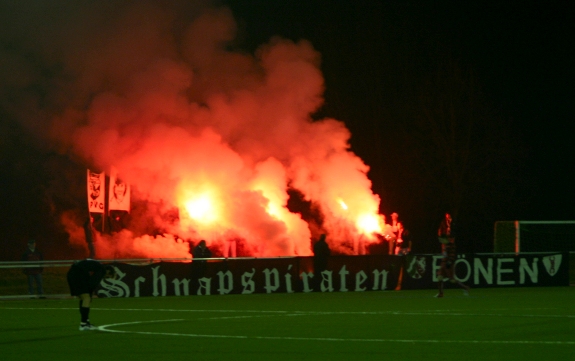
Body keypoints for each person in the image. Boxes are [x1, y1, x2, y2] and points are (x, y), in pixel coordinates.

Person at [67, 259, 116, 330]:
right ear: (108, 271)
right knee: (86, 298)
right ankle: (83, 324)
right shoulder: (102, 269)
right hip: (77, 275)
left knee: (84, 298)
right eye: (108, 276)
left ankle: (86, 322)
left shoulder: (97, 265)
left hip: (73, 273)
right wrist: (90, 293)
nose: (106, 277)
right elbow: (93, 282)